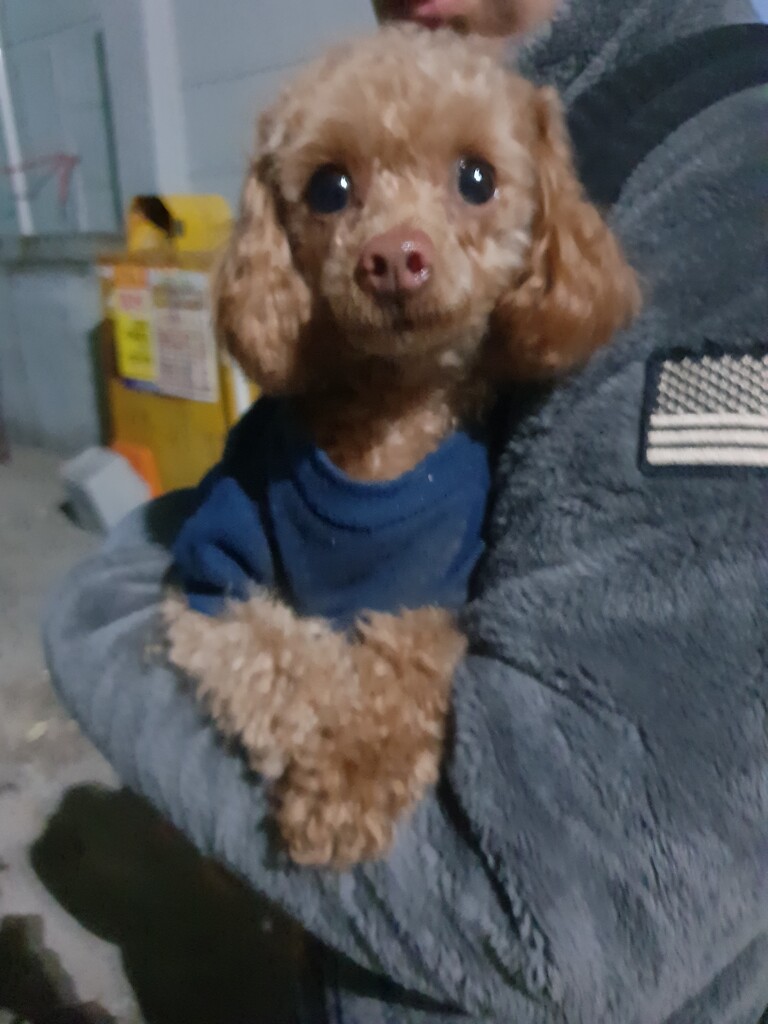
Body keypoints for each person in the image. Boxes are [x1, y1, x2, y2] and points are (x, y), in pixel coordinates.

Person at [44, 1, 768, 1022]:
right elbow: (197, 608)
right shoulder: (275, 466)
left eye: (470, 183)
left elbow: (571, 899)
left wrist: (101, 621)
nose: (395, 244)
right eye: (334, 191)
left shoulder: (726, 167)